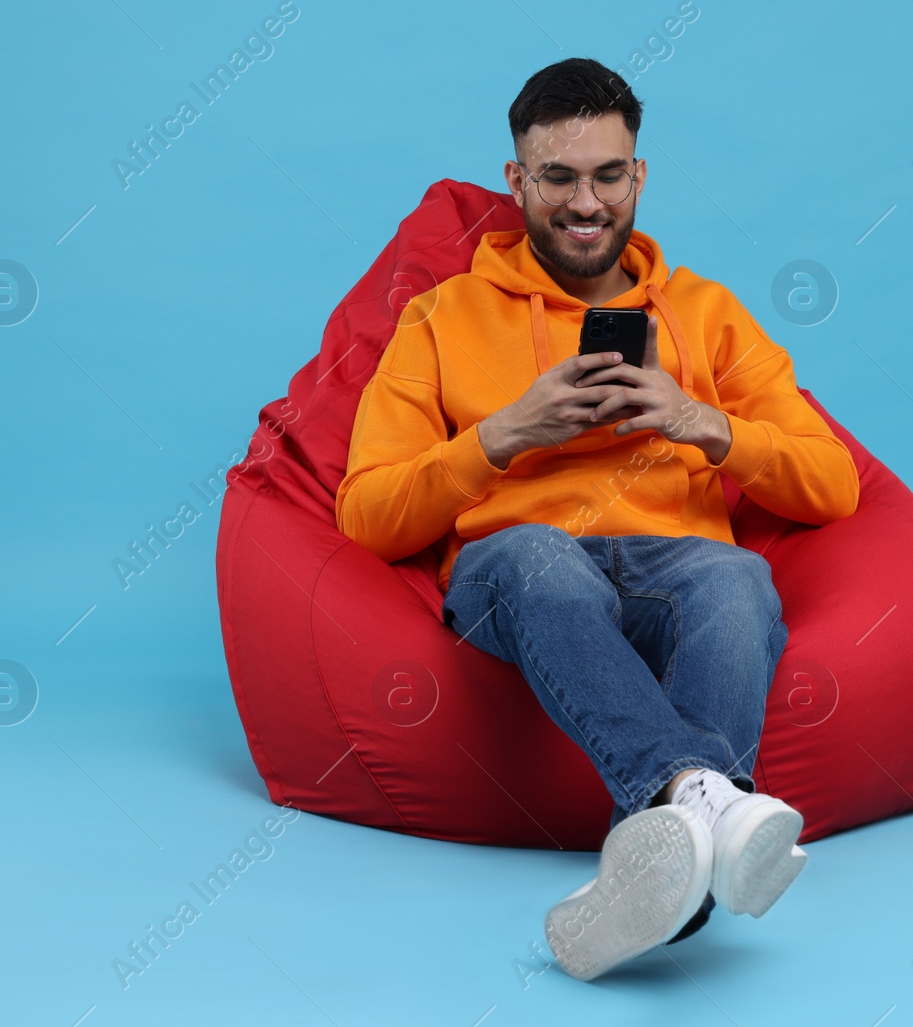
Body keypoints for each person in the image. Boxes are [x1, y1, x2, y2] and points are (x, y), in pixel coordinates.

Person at [333, 58, 860, 980]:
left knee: (735, 575)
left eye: (608, 175)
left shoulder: (704, 313)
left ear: (639, 177)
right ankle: (717, 800)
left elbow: (832, 484)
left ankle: (653, 862)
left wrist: (701, 422)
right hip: (520, 578)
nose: (587, 202)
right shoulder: (440, 317)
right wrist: (503, 435)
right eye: (559, 177)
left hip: (673, 566)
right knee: (539, 556)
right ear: (518, 181)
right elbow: (368, 514)